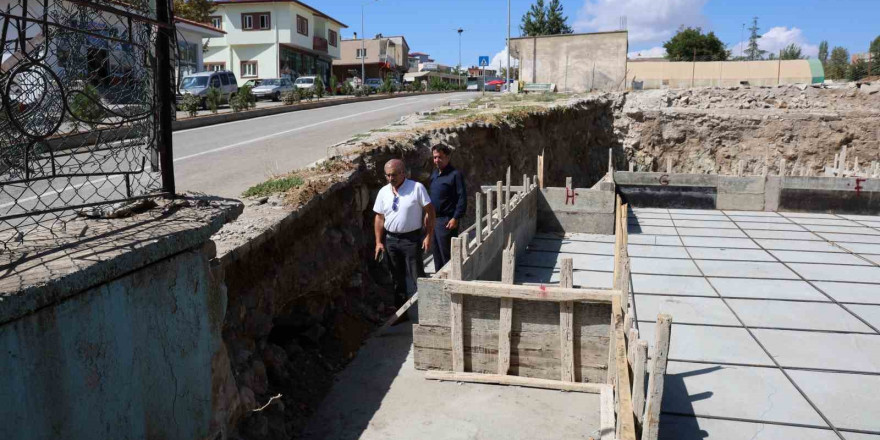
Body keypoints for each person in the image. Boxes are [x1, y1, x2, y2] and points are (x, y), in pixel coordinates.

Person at [374, 159, 435, 321]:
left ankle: (428, 313)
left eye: (393, 175)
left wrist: (429, 235)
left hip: (411, 239)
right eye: (387, 175)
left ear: (403, 173)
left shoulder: (416, 188)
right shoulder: (383, 192)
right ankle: (401, 315)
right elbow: (379, 218)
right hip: (391, 240)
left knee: (418, 277)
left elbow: (430, 211)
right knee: (396, 278)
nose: (390, 178)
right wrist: (379, 242)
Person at [428, 144, 467, 272]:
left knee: (447, 255)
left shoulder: (455, 175)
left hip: (446, 221)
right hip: (434, 220)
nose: (436, 160)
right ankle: (440, 278)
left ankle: (450, 279)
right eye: (434, 157)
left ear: (447, 157)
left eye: (439, 157)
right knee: (436, 253)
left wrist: (455, 218)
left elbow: (462, 198)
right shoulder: (434, 174)